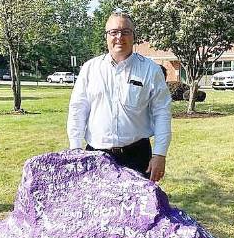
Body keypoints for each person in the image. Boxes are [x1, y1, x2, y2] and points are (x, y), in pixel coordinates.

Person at [67, 12, 172, 182]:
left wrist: (160, 154)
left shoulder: (151, 70)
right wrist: (75, 149)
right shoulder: (90, 69)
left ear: (134, 36)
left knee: (138, 208)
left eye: (125, 32)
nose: (119, 37)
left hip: (137, 157)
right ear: (106, 36)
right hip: (95, 156)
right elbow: (78, 109)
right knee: (98, 207)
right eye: (114, 32)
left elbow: (162, 113)